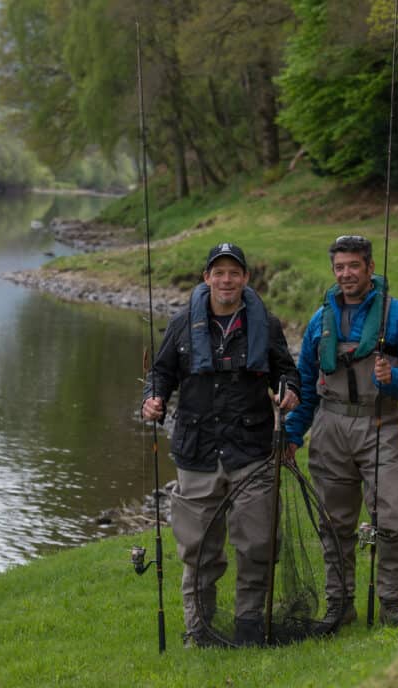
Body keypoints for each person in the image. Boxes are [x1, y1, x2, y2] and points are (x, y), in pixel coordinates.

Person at [142, 242, 300, 648]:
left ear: (245, 278)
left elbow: (287, 372)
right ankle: (201, 629)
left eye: (234, 272)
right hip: (197, 454)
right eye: (219, 272)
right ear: (206, 277)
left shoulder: (266, 323)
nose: (226, 280)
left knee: (258, 544)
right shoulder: (181, 325)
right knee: (198, 552)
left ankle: (249, 625)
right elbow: (160, 373)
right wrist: (153, 398)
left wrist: (290, 392)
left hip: (252, 452)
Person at [284, 235, 398, 629]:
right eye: (340, 267)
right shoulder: (320, 320)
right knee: (333, 522)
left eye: (353, 266)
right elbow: (303, 382)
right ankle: (339, 605)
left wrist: (394, 376)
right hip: (330, 426)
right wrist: (293, 434)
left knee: (396, 515)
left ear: (369, 268)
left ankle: (392, 604)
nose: (346, 274)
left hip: (381, 422)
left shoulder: (396, 315)